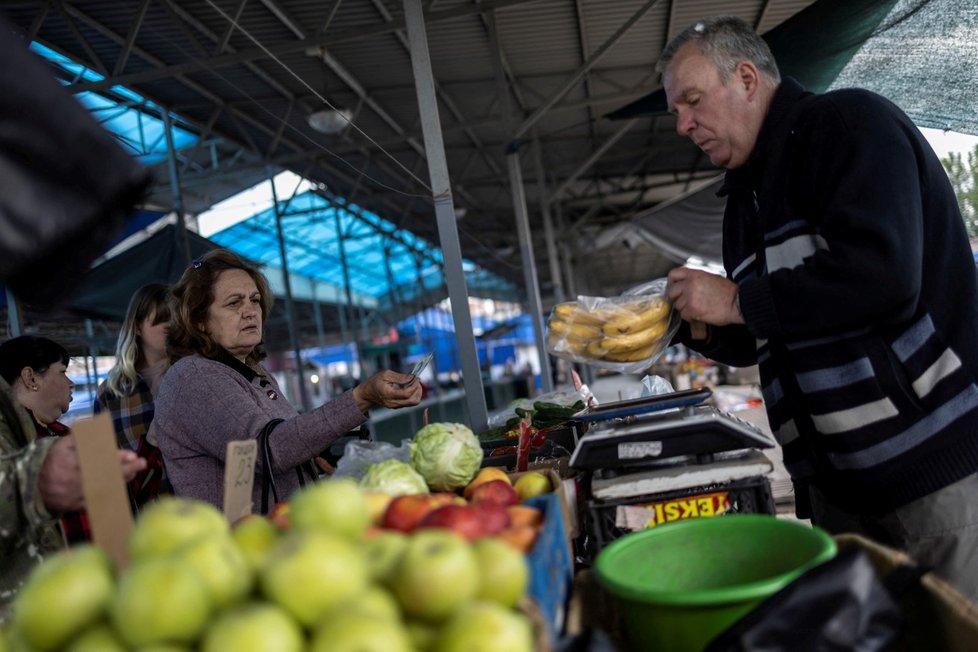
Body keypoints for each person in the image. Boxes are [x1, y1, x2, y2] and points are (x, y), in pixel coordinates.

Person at [659, 16, 978, 599]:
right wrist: (695, 325)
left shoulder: (846, 125)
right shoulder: (742, 204)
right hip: (841, 498)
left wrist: (735, 299)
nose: (683, 124)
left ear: (748, 79)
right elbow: (781, 327)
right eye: (677, 110)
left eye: (692, 101)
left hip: (932, 477)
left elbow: (882, 277)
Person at [153, 249, 423, 512]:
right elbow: (266, 450)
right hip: (244, 545)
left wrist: (318, 458)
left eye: (255, 300)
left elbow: (287, 438)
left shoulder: (252, 371)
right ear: (199, 320)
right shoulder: (194, 376)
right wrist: (361, 397)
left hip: (284, 531)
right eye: (234, 303)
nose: (250, 311)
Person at [0, 336, 146, 615]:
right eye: (62, 372)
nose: (71, 384)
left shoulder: (70, 438)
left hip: (98, 589)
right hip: (46, 605)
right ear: (31, 378)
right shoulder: (16, 451)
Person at [95, 283, 172, 510]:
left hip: (206, 508)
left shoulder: (197, 374)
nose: (171, 325)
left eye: (177, 318)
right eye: (162, 318)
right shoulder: (111, 393)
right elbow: (107, 470)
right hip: (149, 515)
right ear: (137, 327)